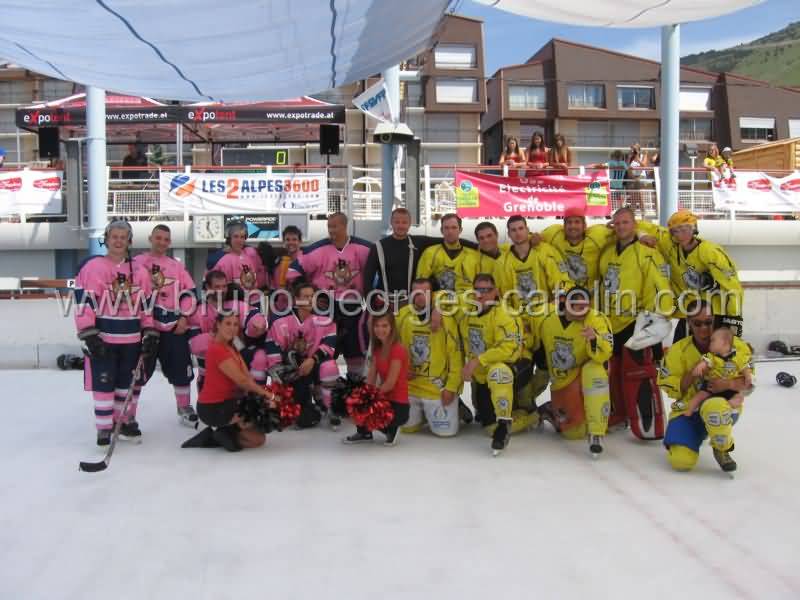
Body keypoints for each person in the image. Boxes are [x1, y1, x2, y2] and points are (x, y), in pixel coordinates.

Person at [74, 220, 157, 446]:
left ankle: (120, 423)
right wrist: (88, 333)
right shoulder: (94, 268)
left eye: (123, 237)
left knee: (125, 383)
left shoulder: (139, 271)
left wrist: (149, 331)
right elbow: (84, 303)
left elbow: (146, 307)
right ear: (107, 239)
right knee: (104, 382)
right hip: (104, 338)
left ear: (129, 241)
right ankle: (104, 428)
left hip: (131, 339)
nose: (118, 241)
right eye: (114, 237)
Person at [598, 206, 673, 439]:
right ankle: (619, 415)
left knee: (638, 374)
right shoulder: (608, 253)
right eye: (617, 223)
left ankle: (650, 425)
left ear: (635, 224)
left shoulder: (647, 252)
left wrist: (653, 320)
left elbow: (658, 286)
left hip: (636, 322)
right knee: (614, 374)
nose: (621, 227)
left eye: (626, 222)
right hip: (611, 323)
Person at [658, 300, 753, 474]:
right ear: (689, 323)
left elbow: (749, 384)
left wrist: (727, 384)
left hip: (723, 405)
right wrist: (693, 372)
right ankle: (697, 434)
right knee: (681, 462)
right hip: (689, 408)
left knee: (714, 407)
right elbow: (668, 386)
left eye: (708, 322)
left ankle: (722, 448)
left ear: (714, 320)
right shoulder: (677, 350)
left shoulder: (735, 345)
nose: (704, 328)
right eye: (697, 323)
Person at [494, 215, 573, 409]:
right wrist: (515, 322)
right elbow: (503, 298)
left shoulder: (544, 251)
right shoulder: (502, 262)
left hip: (545, 319)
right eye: (513, 230)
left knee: (546, 368)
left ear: (527, 229)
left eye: (521, 228)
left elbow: (561, 283)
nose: (517, 233)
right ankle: (525, 406)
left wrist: (554, 309)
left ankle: (530, 401)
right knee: (522, 367)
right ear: (509, 234)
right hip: (521, 324)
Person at [287, 212, 371, 378]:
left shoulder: (364, 248)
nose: (331, 230)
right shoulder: (316, 249)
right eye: (329, 226)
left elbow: (379, 269)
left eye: (334, 226)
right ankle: (321, 385)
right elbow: (292, 271)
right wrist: (311, 293)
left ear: (344, 226)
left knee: (354, 347)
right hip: (325, 306)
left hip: (352, 305)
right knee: (323, 347)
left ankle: (356, 386)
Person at [638, 209, 743, 340]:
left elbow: (732, 287)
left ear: (694, 228)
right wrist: (642, 236)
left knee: (712, 350)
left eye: (685, 229)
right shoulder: (669, 244)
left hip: (713, 314)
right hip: (688, 312)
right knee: (680, 349)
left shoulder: (711, 252)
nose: (681, 234)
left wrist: (734, 319)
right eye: (676, 230)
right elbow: (637, 225)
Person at [132, 225, 199, 427]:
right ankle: (128, 415)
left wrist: (184, 317)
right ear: (150, 238)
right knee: (137, 372)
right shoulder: (137, 263)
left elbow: (190, 293)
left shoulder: (176, 266)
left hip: (173, 327)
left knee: (181, 369)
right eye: (158, 238)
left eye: (165, 239)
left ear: (169, 242)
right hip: (146, 329)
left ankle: (184, 407)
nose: (161, 242)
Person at [537, 286, 613, 455]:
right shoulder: (546, 319)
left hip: (583, 374)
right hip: (562, 381)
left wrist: (594, 339)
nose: (582, 310)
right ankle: (551, 409)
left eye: (585, 306)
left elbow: (605, 353)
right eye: (578, 306)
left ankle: (596, 432)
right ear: (565, 303)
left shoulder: (596, 319)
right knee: (574, 434)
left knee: (594, 369)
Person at [460, 273, 529, 455]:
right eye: (478, 290)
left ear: (496, 292)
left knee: (498, 373)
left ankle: (510, 423)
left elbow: (509, 350)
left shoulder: (505, 314)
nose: (481, 294)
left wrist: (477, 360)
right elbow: (444, 299)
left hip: (513, 367)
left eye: (487, 290)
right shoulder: (468, 312)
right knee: (486, 423)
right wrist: (437, 310)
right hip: (482, 375)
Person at [259, 281, 339, 429]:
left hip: (313, 367)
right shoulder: (280, 323)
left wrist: (312, 360)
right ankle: (303, 401)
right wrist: (285, 377)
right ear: (296, 300)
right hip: (292, 374)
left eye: (312, 296)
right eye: (306, 296)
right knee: (300, 416)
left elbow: (329, 346)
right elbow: (273, 356)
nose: (310, 300)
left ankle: (328, 405)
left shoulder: (325, 321)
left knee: (329, 366)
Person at [193, 313, 276, 452]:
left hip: (230, 401)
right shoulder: (217, 349)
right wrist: (269, 395)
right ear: (218, 325)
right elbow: (242, 381)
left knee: (258, 440)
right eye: (228, 323)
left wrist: (261, 397)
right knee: (255, 415)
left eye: (235, 325)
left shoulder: (232, 348)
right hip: (214, 407)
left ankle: (223, 433)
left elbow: (247, 377)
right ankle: (216, 435)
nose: (232, 328)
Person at [397, 278, 463, 437]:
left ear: (432, 294)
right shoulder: (402, 315)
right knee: (406, 429)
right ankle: (422, 415)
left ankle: (455, 408)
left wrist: (451, 388)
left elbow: (455, 356)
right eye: (416, 292)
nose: (420, 296)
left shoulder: (446, 318)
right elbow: (391, 347)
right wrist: (400, 370)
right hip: (411, 386)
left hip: (436, 389)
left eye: (425, 292)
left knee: (445, 433)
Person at [187, 270, 266, 392]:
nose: (222, 290)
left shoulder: (236, 304)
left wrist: (257, 324)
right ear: (208, 287)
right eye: (217, 287)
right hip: (211, 367)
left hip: (237, 360)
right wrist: (217, 336)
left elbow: (254, 316)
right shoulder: (197, 311)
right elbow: (193, 345)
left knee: (259, 356)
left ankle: (256, 395)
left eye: (224, 286)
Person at [362, 207, 455, 309]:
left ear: (410, 224)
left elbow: (449, 240)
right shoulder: (378, 247)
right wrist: (371, 304)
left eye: (404, 222)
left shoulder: (419, 242)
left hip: (411, 303)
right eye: (397, 222)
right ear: (391, 223)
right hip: (385, 303)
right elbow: (367, 278)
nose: (401, 225)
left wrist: (470, 245)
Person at [344, 312, 410, 446]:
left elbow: (390, 384)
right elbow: (370, 379)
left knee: (365, 404)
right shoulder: (377, 349)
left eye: (384, 326)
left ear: (392, 327)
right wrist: (358, 398)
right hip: (384, 398)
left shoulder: (398, 349)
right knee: (355, 400)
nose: (380, 329)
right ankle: (365, 433)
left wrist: (368, 399)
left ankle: (391, 428)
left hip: (398, 404)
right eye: (377, 326)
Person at [683, 327, 752, 416]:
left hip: (729, 388)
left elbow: (744, 367)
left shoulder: (737, 357)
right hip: (711, 385)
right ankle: (689, 410)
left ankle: (728, 406)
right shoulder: (712, 356)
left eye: (713, 341)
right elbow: (705, 361)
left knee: (739, 397)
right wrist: (700, 366)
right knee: (699, 396)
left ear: (724, 343)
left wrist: (748, 376)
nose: (710, 343)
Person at [416, 213, 479, 296]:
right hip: (439, 302)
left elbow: (481, 285)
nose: (450, 231)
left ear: (460, 230)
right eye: (446, 228)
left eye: (454, 227)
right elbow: (420, 284)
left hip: (467, 302)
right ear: (441, 230)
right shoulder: (430, 253)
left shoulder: (473, 256)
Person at [206, 220, 268, 298]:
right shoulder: (221, 260)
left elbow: (253, 282)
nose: (239, 240)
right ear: (229, 238)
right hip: (232, 303)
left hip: (252, 301)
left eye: (242, 237)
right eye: (236, 236)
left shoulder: (248, 257)